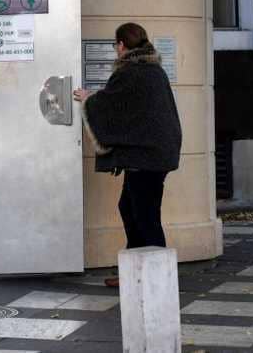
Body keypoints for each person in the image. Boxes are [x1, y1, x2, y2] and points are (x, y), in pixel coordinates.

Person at [72, 22, 182, 287]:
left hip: (145, 156)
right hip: (157, 153)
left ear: (121, 45)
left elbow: (111, 105)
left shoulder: (130, 72)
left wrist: (88, 98)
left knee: (145, 215)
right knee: (132, 209)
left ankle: (156, 279)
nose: (115, 50)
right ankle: (135, 271)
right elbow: (132, 111)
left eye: (115, 45)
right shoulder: (154, 70)